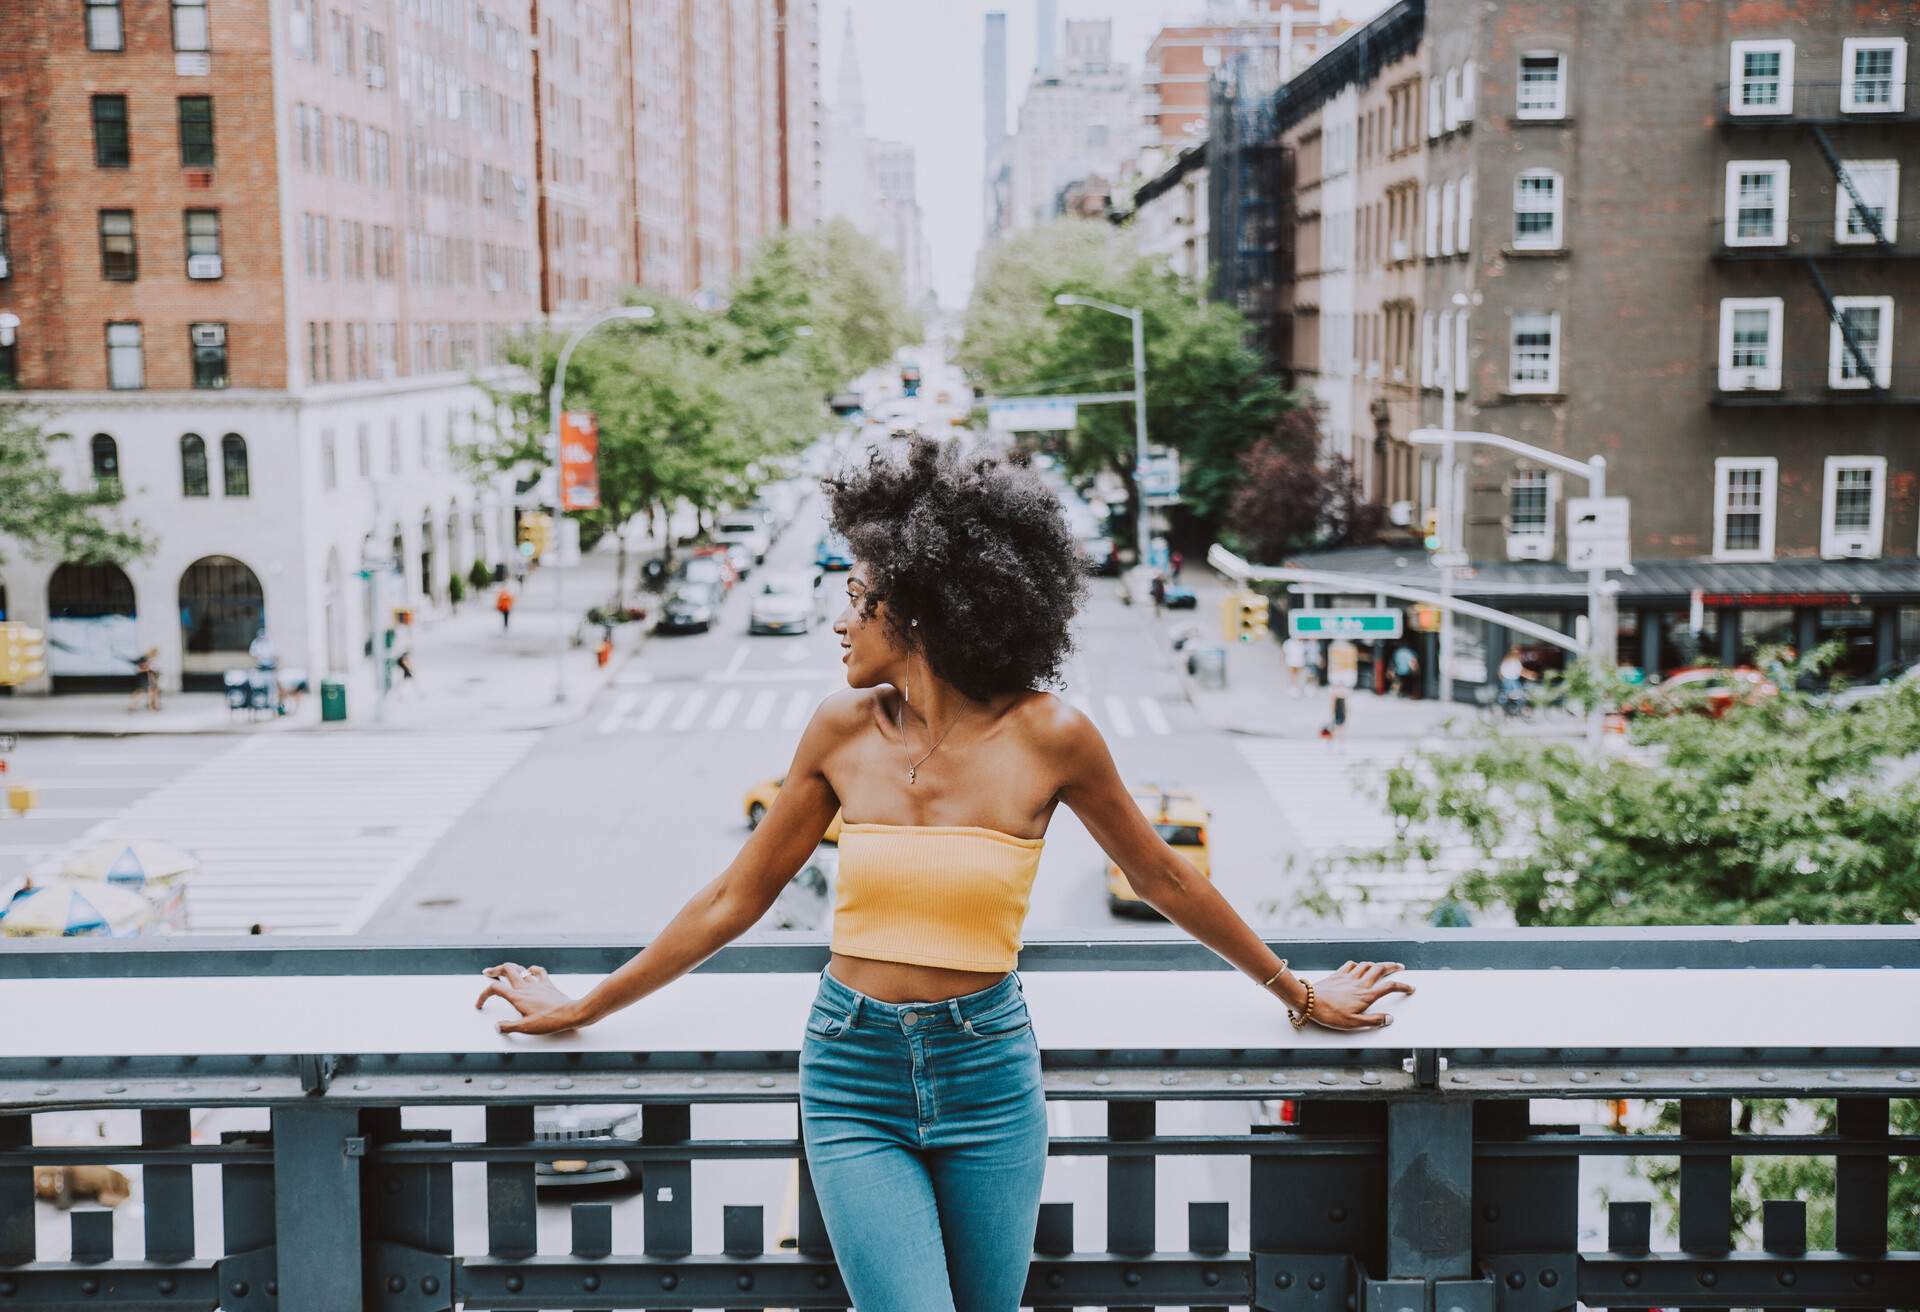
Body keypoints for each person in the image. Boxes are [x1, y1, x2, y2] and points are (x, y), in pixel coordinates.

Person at [473, 436, 1411, 1312]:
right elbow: (733, 899)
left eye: (856, 593)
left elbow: (1164, 878)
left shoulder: (1052, 738)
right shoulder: (840, 732)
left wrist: (1296, 992)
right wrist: (585, 1006)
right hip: (853, 1072)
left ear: (917, 608)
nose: (839, 618)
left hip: (989, 1074)